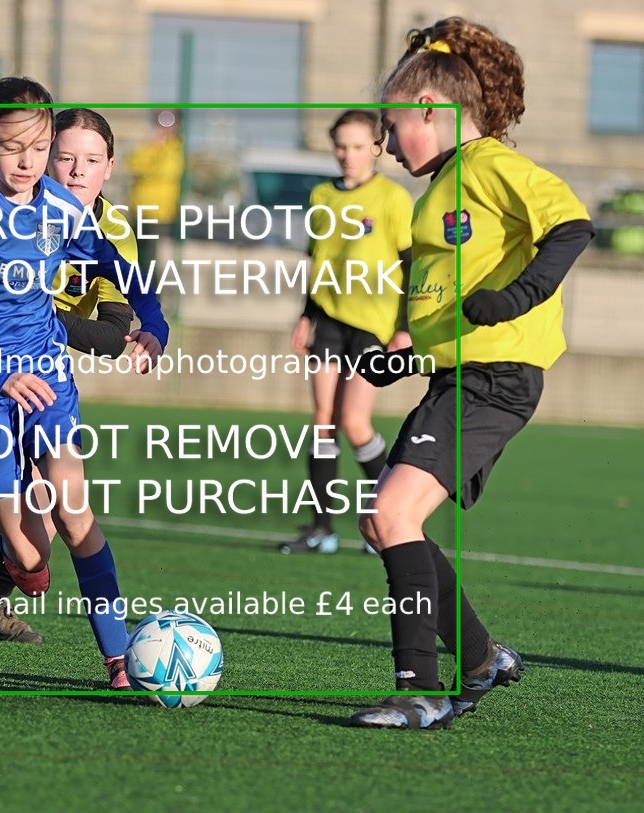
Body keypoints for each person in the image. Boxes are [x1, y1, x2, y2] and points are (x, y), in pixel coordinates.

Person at [347, 17, 593, 728]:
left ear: (433, 109)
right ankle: (481, 657)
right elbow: (449, 295)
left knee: (390, 514)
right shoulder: (448, 184)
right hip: (458, 377)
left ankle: (420, 692)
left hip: (496, 377)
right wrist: (404, 353)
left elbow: (571, 225)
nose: (389, 144)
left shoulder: (490, 164)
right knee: (387, 524)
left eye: (395, 126)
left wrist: (519, 297)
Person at [0, 78, 169, 689]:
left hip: (45, 372)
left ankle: (119, 657)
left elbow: (112, 262)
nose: (27, 162)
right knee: (31, 554)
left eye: (38, 146)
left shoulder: (59, 207)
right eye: (12, 147)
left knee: (74, 510)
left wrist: (154, 322)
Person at [278, 110, 413, 556]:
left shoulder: (393, 199)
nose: (347, 155)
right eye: (341, 146)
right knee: (322, 422)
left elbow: (411, 266)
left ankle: (389, 517)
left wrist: (404, 329)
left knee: (354, 423)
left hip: (373, 325)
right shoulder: (321, 196)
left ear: (376, 148)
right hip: (329, 321)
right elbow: (320, 262)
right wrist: (306, 315)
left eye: (357, 146)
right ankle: (323, 529)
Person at [126, 110, 184, 274]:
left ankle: (152, 293)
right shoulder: (150, 146)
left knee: (150, 259)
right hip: (139, 210)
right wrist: (153, 147)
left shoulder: (176, 149)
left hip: (159, 214)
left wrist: (148, 166)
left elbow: (164, 171)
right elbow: (133, 164)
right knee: (135, 256)